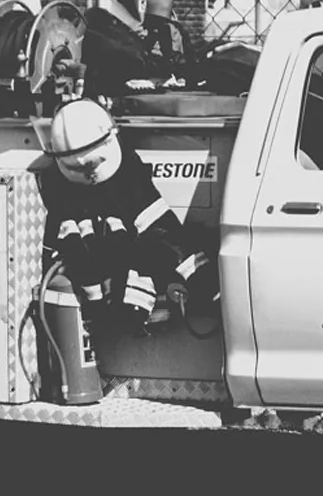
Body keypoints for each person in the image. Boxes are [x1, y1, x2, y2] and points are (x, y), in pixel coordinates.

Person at [39, 98, 208, 333]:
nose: (90, 176)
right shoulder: (63, 190)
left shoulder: (129, 181)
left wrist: (200, 278)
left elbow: (163, 232)